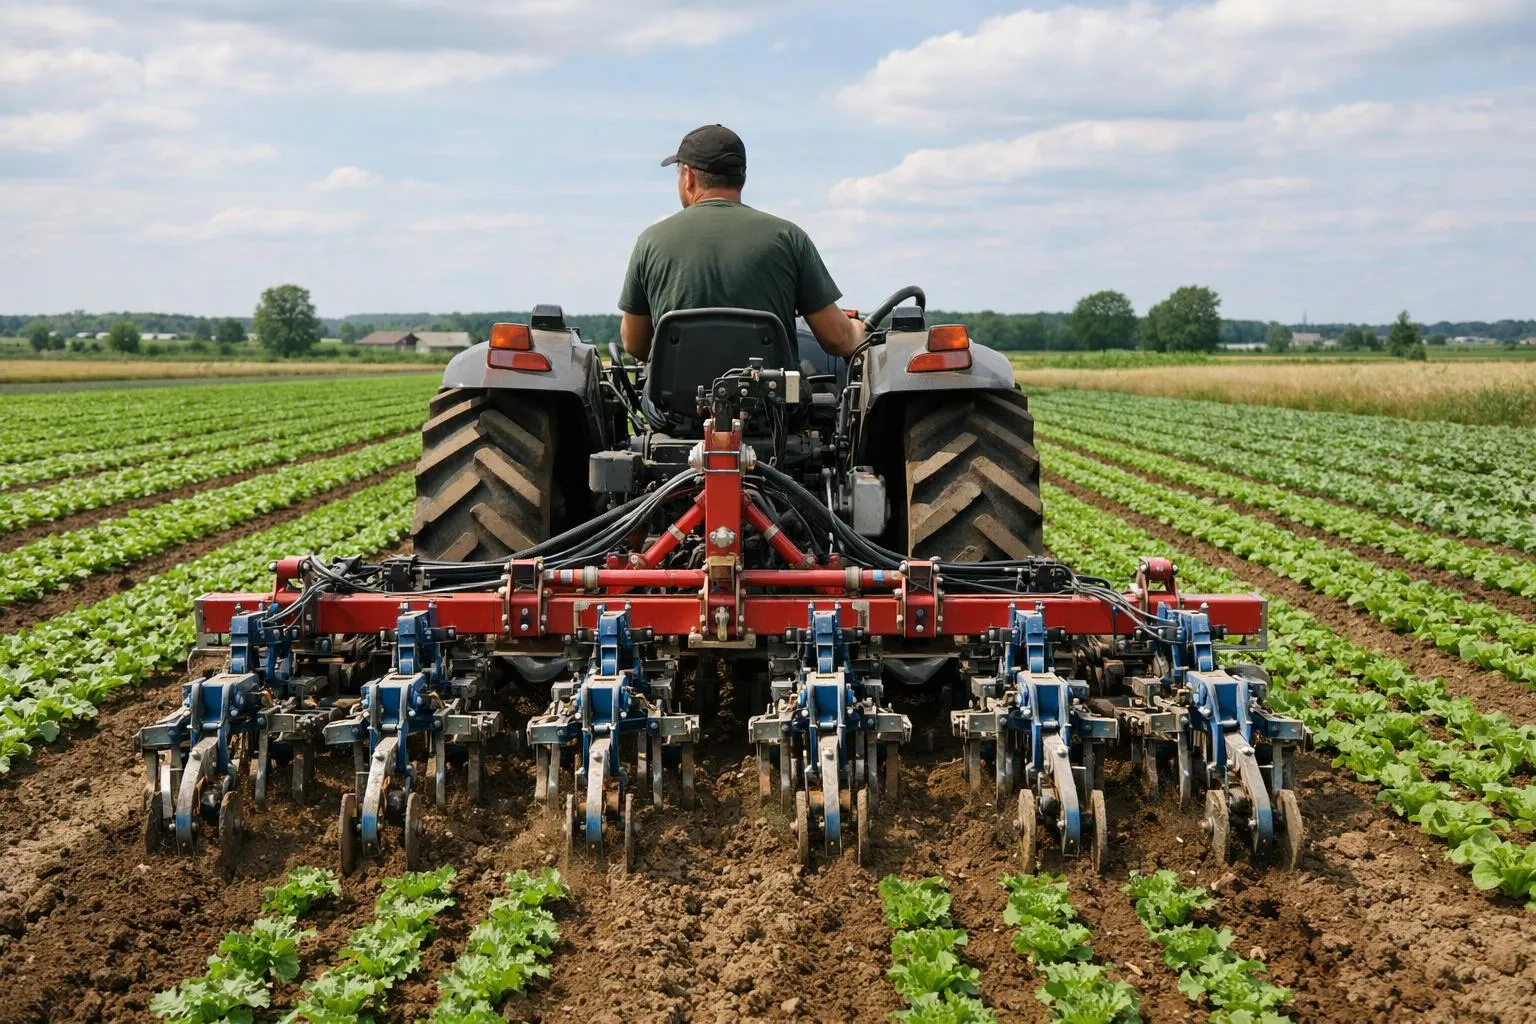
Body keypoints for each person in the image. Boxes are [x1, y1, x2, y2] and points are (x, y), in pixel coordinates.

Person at [618, 124, 864, 361]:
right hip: (769, 401)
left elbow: (635, 344)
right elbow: (837, 340)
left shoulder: (650, 241)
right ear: (741, 177)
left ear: (689, 176)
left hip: (674, 403)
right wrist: (856, 331)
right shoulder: (789, 237)